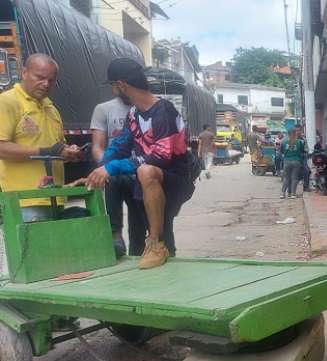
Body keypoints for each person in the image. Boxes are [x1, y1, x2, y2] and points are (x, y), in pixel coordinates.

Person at [86, 58, 196, 269]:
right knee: (120, 180)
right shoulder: (135, 113)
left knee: (145, 173)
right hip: (150, 181)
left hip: (175, 180)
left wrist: (111, 167)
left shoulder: (163, 111)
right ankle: (117, 235)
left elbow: (161, 156)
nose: (113, 89)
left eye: (112, 85)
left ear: (121, 85)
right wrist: (99, 171)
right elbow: (121, 145)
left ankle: (157, 245)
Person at [0, 54, 81, 222]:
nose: (46, 84)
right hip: (24, 201)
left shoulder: (51, 109)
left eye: (51, 80)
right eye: (40, 77)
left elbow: (56, 150)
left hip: (55, 196)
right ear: (24, 73)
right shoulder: (7, 101)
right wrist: (45, 151)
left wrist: (69, 153)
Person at [91, 73, 147, 256]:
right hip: (115, 171)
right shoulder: (103, 109)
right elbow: (98, 146)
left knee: (138, 220)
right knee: (114, 182)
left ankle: (139, 251)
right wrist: (104, 169)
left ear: (121, 85)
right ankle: (115, 235)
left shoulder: (145, 108)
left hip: (140, 171)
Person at [280, 127, 306, 199]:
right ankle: (293, 194)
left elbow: (281, 151)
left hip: (287, 161)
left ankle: (282, 194)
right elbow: (302, 151)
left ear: (288, 134)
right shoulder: (299, 142)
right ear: (295, 133)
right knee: (294, 178)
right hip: (296, 161)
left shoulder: (283, 141)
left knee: (286, 178)